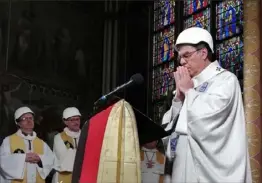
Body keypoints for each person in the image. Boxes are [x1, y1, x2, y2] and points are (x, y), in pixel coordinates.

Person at [162, 27, 252, 182]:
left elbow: (212, 121)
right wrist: (178, 99)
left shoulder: (225, 80)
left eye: (186, 56)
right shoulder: (188, 84)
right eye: (180, 58)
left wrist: (189, 92)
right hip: (180, 163)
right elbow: (168, 131)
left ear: (203, 53)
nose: (182, 62)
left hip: (206, 170)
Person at [0, 106, 54, 183]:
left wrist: (40, 159)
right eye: (25, 119)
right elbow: (2, 161)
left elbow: (51, 159)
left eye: (31, 118)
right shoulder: (8, 141)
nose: (29, 121)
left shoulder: (41, 143)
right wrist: (23, 158)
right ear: (18, 122)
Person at [52, 107, 82, 183]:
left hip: (81, 176)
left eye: (77, 119)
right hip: (63, 177)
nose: (76, 122)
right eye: (72, 120)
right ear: (65, 122)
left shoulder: (85, 135)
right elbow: (65, 157)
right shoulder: (59, 137)